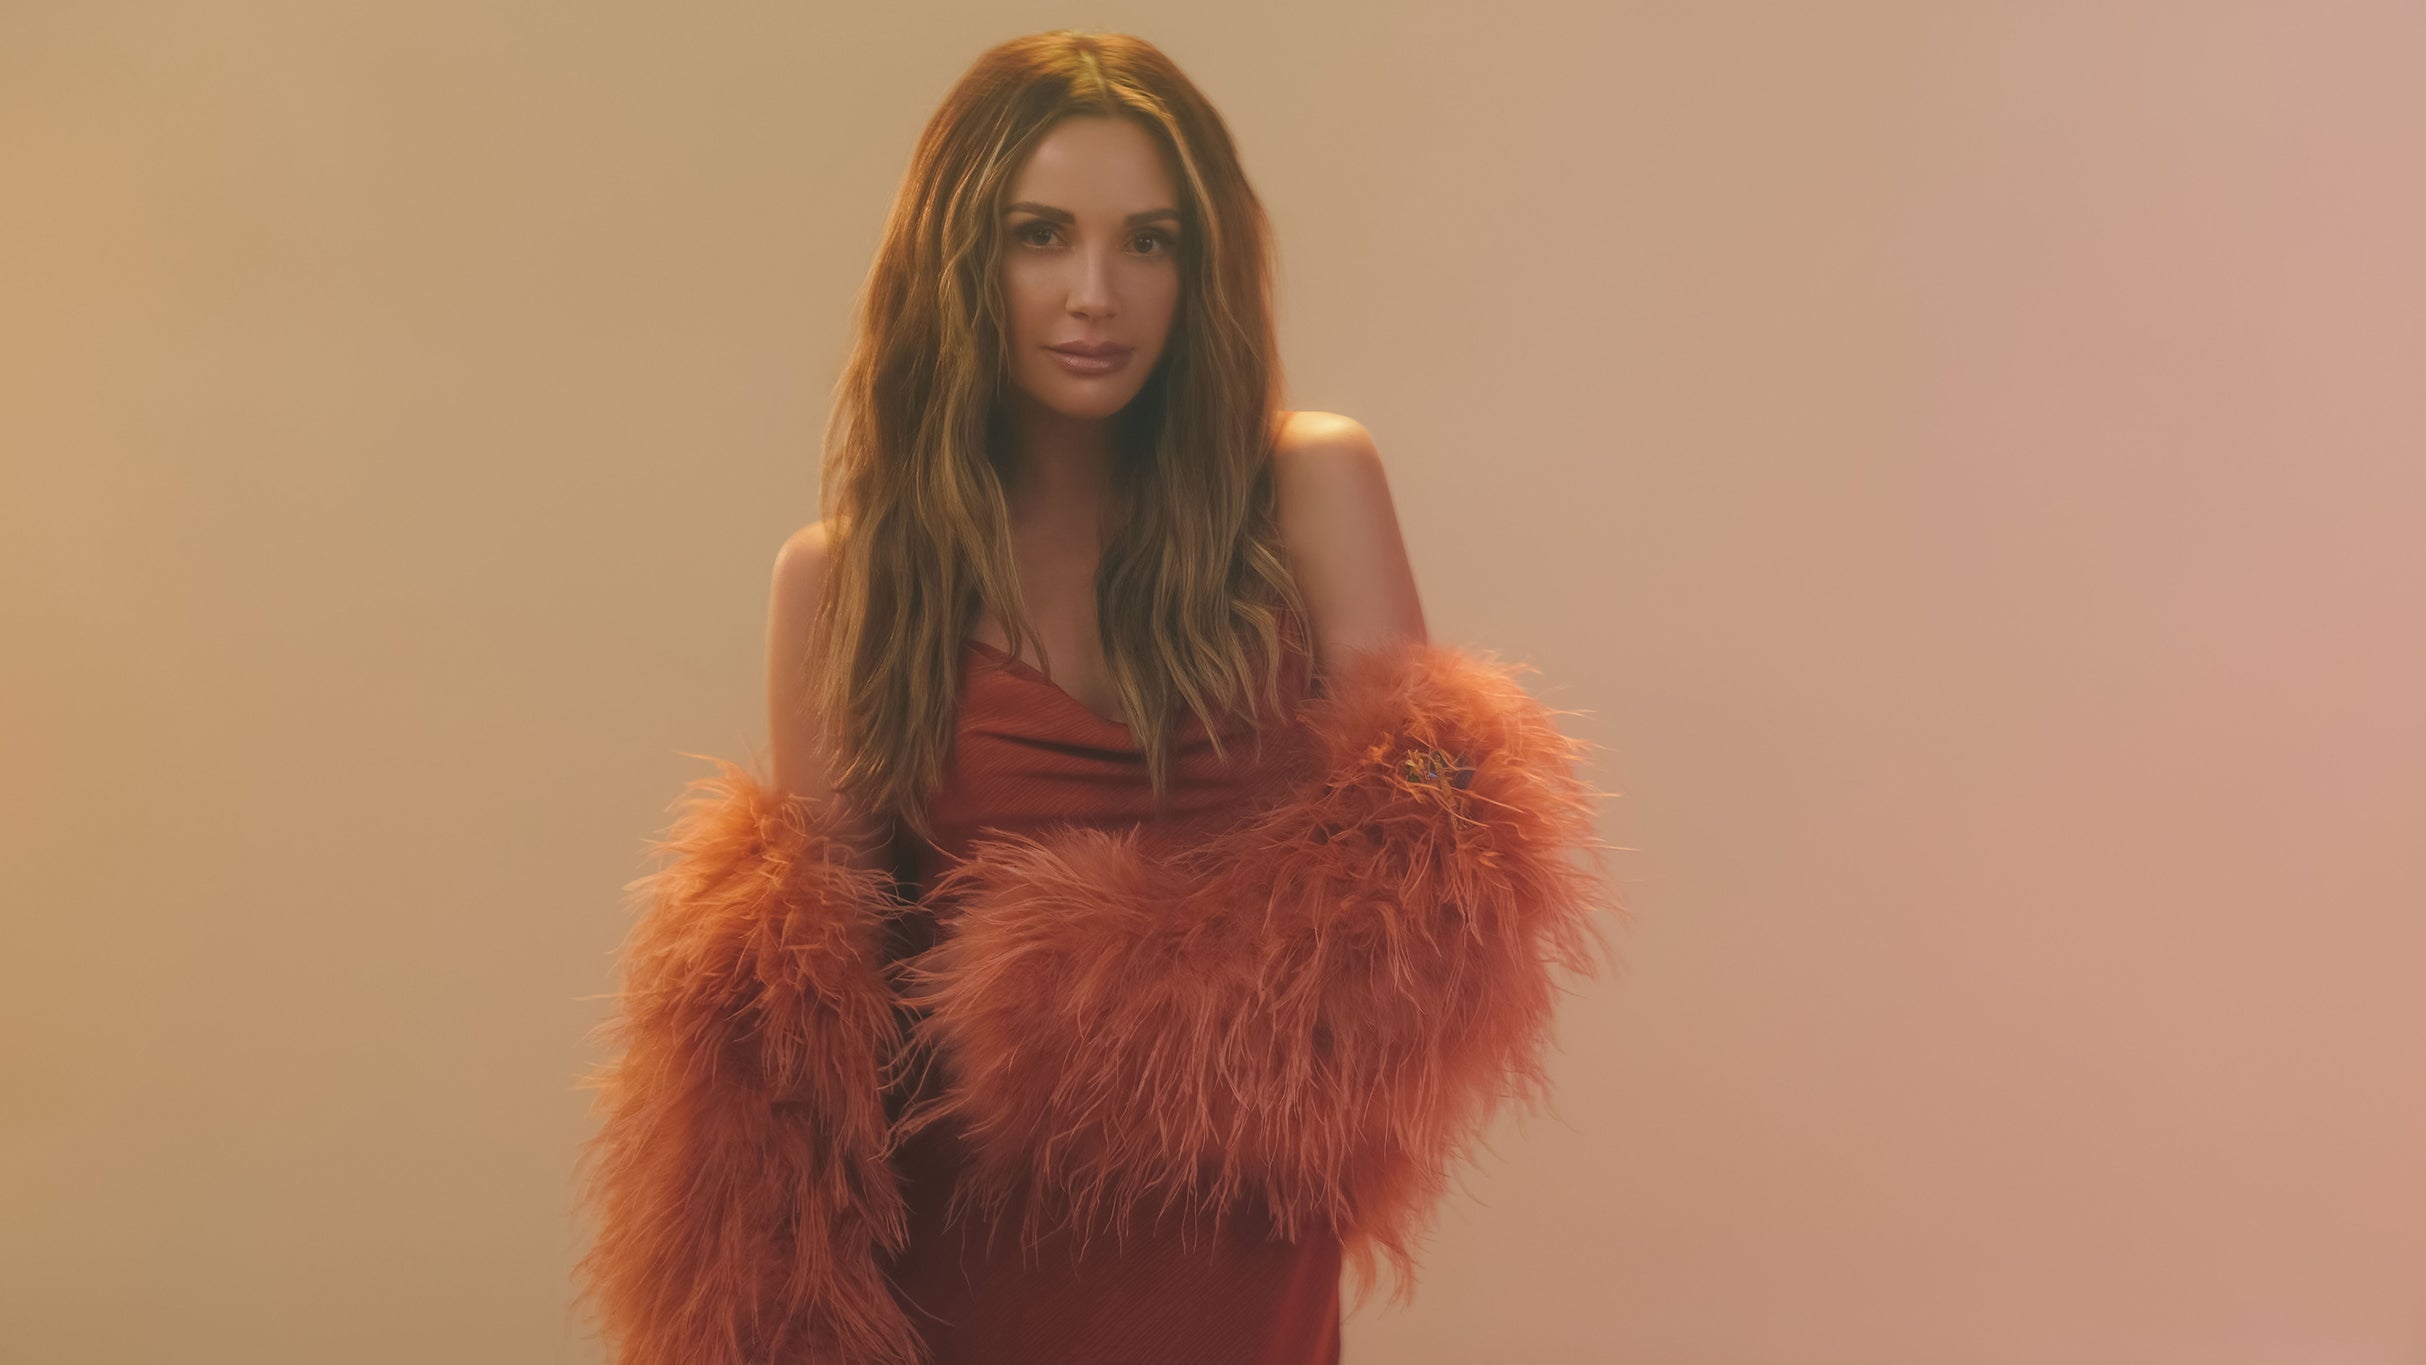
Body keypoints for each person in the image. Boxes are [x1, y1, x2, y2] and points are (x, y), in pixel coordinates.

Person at [570, 29, 1623, 1365]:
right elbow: (808, 1052)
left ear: (1201, 267)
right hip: (963, 1272)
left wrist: (1127, 1012)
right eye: (1040, 236)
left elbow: (1440, 846)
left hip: (1231, 1253)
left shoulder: (1308, 489)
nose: (1094, 294)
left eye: (1148, 242)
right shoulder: (846, 585)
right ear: (960, 261)